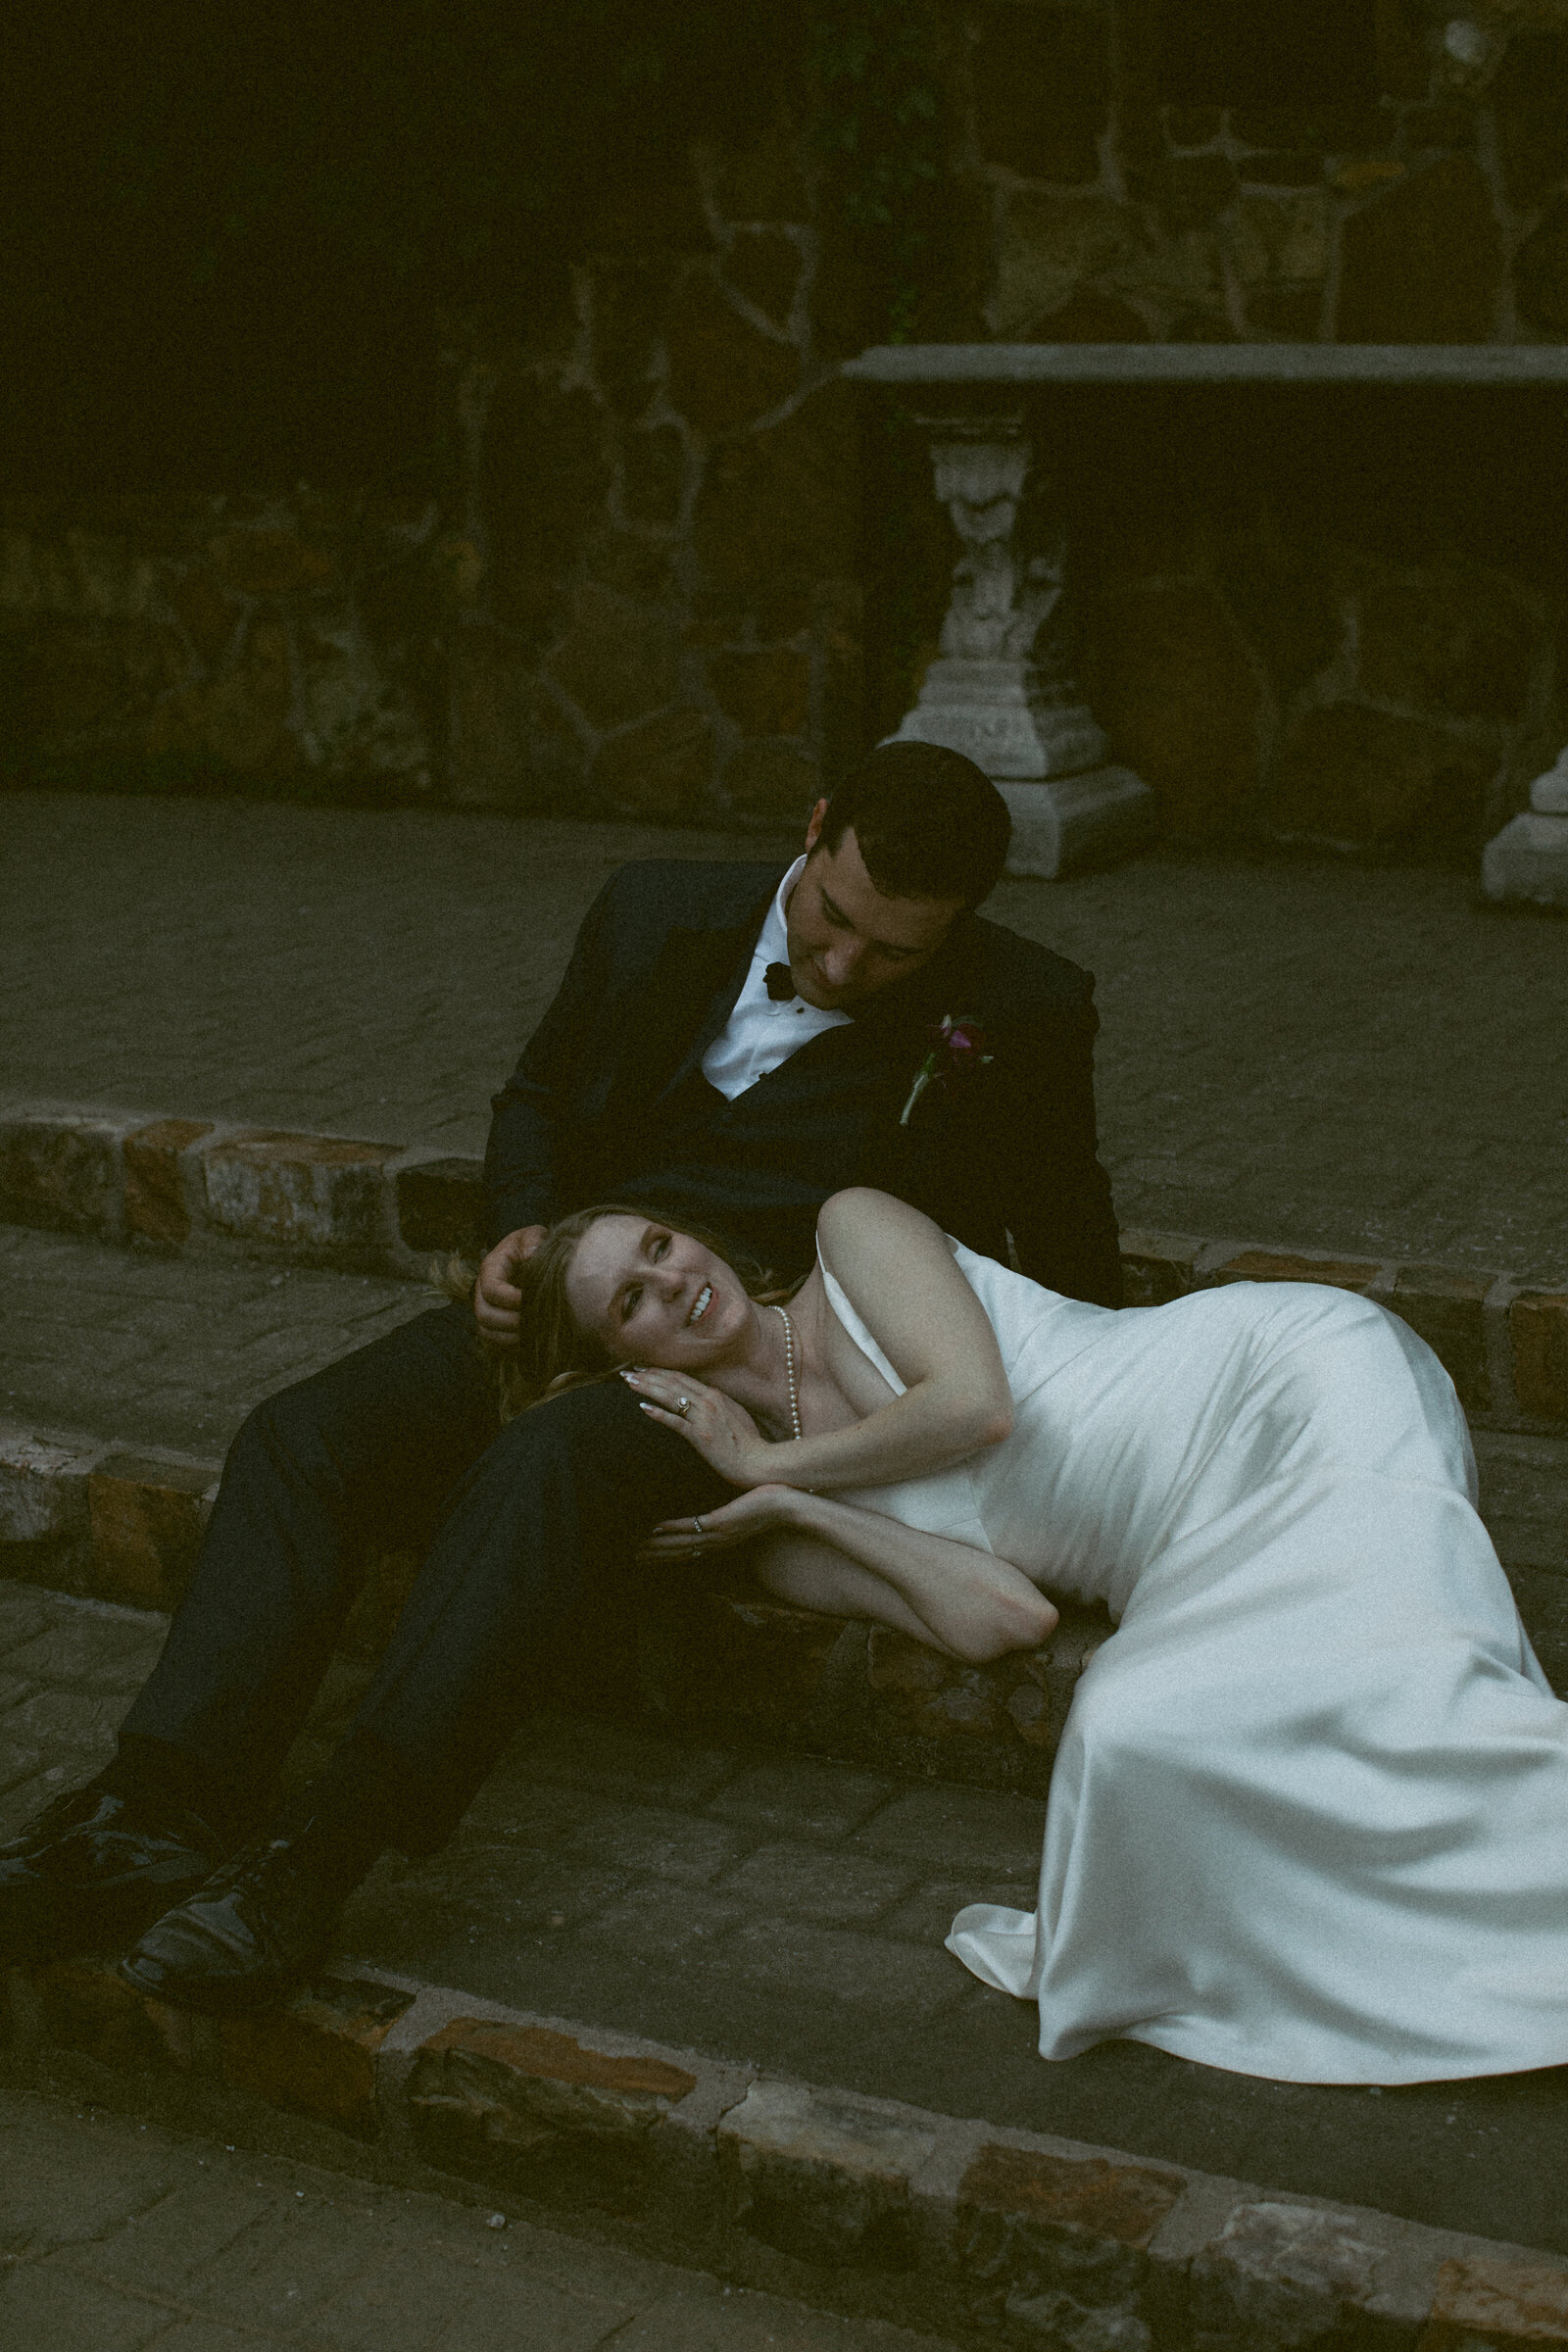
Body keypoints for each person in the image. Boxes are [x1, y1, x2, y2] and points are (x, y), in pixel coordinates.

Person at [0, 741, 1123, 2012]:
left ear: (964, 927)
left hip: (741, 1345)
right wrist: (520, 1237)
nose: (846, 966)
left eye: (895, 954)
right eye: (831, 918)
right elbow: (535, 1096)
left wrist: (1110, 1397)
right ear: (812, 834)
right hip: (575, 1294)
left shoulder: (1023, 1008)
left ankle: (314, 1859)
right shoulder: (652, 907)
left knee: (542, 1465)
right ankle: (155, 1818)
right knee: (302, 1438)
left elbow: (1064, 1212)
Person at [446, 1185, 1568, 2087]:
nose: (675, 1279)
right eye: (633, 1299)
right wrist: (789, 1505)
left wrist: (764, 1465)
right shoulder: (785, 1538)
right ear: (623, 1369)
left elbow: (972, 1406)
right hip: (1190, 1545)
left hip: (1287, 1387)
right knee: (1129, 1730)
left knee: (1404, 1676)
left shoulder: (851, 1235)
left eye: (662, 1244)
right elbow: (1006, 1616)